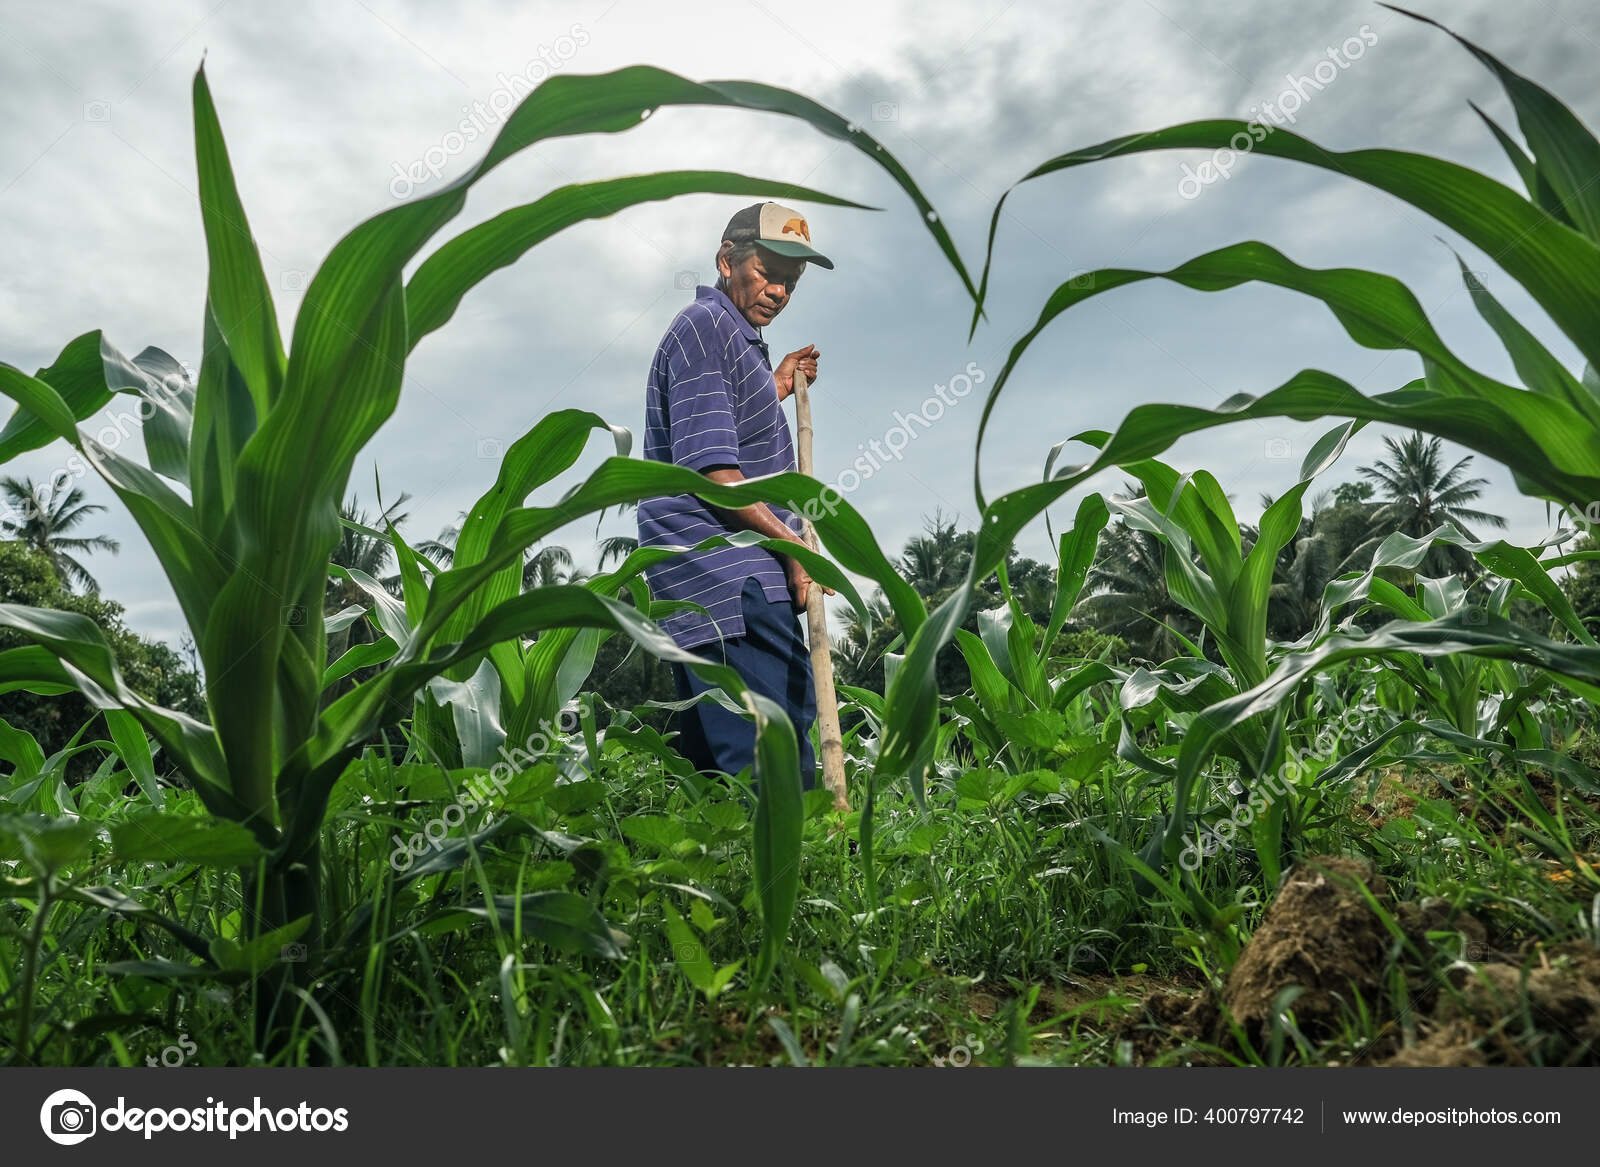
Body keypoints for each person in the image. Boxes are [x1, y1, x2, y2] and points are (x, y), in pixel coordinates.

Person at [636, 201, 836, 790]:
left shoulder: (734, 338)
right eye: (767, 272)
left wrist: (772, 385)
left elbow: (725, 430)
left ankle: (738, 878)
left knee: (715, 781)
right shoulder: (706, 328)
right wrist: (796, 550)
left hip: (719, 584)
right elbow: (714, 478)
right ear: (727, 261)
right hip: (732, 579)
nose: (778, 290)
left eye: (791, 281)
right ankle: (800, 878)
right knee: (775, 763)